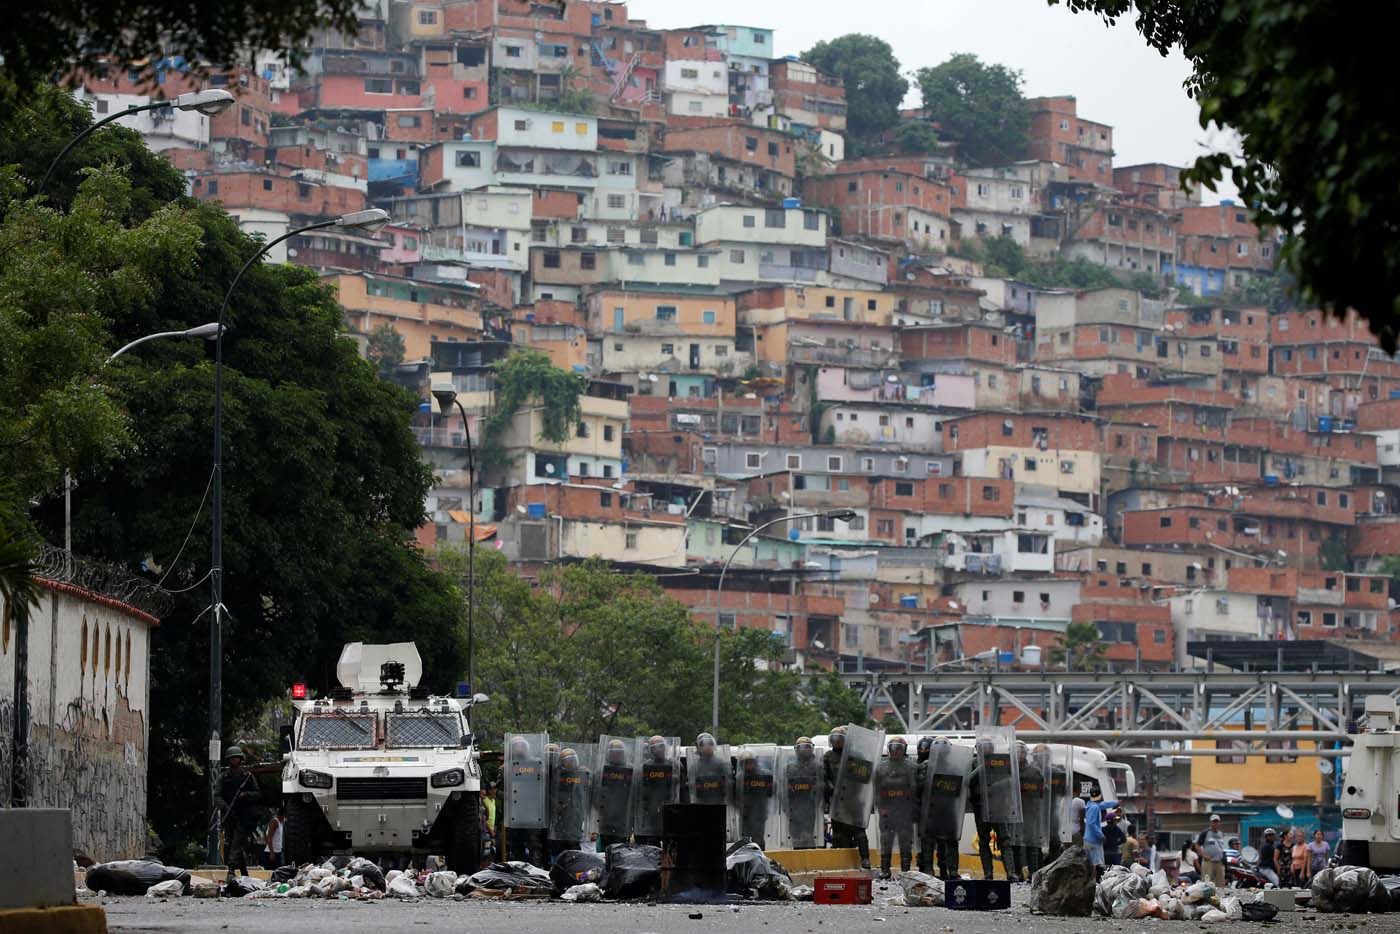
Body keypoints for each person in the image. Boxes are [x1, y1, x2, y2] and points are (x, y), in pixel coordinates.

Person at [822, 726, 871, 870]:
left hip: (854, 799)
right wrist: (832, 790)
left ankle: (865, 859)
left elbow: (865, 777)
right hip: (837, 801)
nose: (837, 742)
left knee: (859, 831)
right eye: (834, 739)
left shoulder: (856, 756)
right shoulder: (828, 757)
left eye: (840, 739)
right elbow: (824, 777)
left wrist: (854, 790)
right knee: (839, 834)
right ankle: (841, 863)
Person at [873, 736, 917, 879]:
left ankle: (905, 871)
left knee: (905, 840)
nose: (896, 751)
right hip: (887, 809)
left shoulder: (910, 766)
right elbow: (877, 790)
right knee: (886, 840)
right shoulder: (881, 766)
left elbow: (915, 788)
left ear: (903, 750)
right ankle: (885, 870)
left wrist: (911, 807)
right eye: (893, 748)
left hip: (904, 809)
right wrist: (881, 807)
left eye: (899, 748)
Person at [504, 735, 547, 866]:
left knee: (535, 846)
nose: (519, 748)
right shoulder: (506, 767)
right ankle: (518, 872)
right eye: (516, 745)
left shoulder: (537, 764)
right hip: (514, 814)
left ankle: (537, 871)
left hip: (533, 813)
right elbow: (499, 792)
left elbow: (544, 786)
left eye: (522, 745)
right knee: (516, 846)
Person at [219, 746, 259, 876]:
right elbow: (216, 796)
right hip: (229, 814)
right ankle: (244, 872)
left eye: (236, 758)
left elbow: (258, 794)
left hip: (244, 815)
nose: (234, 761)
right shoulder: (224, 777)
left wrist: (246, 794)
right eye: (232, 758)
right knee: (232, 844)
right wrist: (225, 807)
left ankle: (230, 871)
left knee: (236, 844)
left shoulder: (247, 776)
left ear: (241, 759)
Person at [547, 747, 590, 863]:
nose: (571, 761)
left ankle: (575, 865)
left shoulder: (582, 773)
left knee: (574, 845)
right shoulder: (556, 774)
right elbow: (549, 793)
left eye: (572, 759)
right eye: (567, 759)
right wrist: (555, 805)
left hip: (575, 817)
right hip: (559, 818)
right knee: (558, 846)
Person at [635, 736, 677, 847]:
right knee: (652, 845)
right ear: (650, 750)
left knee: (671, 845)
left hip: (670, 810)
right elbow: (639, 790)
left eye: (661, 746)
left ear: (665, 748)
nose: (658, 749)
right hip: (651, 812)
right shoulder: (644, 767)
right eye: (654, 747)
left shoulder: (675, 766)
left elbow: (681, 790)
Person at [595, 739, 634, 851]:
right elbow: (594, 795)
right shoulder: (601, 771)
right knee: (604, 853)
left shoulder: (631, 770)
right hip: (605, 821)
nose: (616, 754)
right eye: (613, 751)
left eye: (619, 751)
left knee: (621, 853)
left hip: (623, 822)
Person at [784, 737, 822, 850]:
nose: (804, 750)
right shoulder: (790, 767)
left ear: (812, 749)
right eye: (801, 747)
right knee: (796, 835)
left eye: (807, 747)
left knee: (808, 835)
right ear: (796, 749)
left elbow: (822, 785)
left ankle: (810, 859)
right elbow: (783, 787)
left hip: (810, 806)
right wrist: (785, 806)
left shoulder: (818, 766)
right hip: (794, 806)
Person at [737, 751, 774, 849]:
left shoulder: (764, 775)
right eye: (745, 762)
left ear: (755, 762)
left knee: (758, 839)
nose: (748, 765)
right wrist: (740, 807)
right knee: (746, 839)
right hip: (745, 813)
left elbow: (771, 791)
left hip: (759, 812)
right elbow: (735, 796)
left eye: (750, 762)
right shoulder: (739, 778)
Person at [1082, 786, 1119, 880]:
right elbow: (1092, 824)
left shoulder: (1091, 805)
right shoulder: (1095, 808)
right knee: (1096, 864)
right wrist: (1101, 836)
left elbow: (1104, 805)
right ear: (1100, 796)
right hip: (1094, 841)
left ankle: (1092, 882)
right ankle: (1095, 884)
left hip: (1088, 839)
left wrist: (1115, 803)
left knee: (1092, 864)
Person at [688, 733, 730, 806]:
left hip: (718, 803)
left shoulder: (722, 764)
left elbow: (728, 784)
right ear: (698, 747)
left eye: (710, 743)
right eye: (703, 744)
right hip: (701, 803)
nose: (707, 746)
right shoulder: (694, 766)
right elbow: (692, 788)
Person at [1194, 814, 1228, 887]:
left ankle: (1220, 897)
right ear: (1210, 822)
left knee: (1220, 882)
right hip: (1208, 861)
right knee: (1207, 882)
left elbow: (1221, 846)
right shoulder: (1205, 832)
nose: (1215, 823)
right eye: (1214, 822)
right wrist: (1203, 855)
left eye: (1217, 822)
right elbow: (1197, 845)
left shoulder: (1221, 833)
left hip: (1219, 861)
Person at [263, 806, 284, 870]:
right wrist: (272, 852)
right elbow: (269, 837)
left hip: (278, 851)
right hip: (272, 852)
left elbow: (265, 833)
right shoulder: (274, 822)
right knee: (271, 873)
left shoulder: (281, 823)